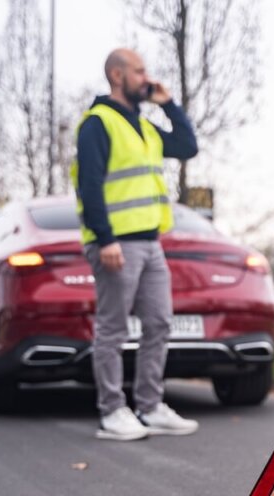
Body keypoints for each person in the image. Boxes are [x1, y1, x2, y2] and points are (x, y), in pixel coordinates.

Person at [73, 48, 199, 441]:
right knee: (112, 329)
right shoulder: (98, 124)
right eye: (139, 71)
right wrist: (106, 238)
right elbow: (89, 186)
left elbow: (187, 146)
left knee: (160, 323)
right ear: (116, 75)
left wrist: (169, 104)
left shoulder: (144, 127)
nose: (147, 78)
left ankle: (150, 406)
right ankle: (112, 411)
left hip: (149, 243)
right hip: (116, 245)